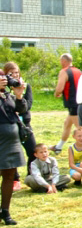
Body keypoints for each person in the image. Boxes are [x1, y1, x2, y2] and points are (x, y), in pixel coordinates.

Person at [0, 72, 28, 225]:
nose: (4, 79)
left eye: (4, 77)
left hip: (12, 141)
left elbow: (22, 109)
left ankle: (5, 211)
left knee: (9, 176)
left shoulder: (7, 95)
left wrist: (18, 95)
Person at [3, 62, 35, 192]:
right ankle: (15, 179)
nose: (15, 75)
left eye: (16, 72)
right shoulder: (3, 88)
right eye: (11, 73)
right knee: (12, 154)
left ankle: (31, 175)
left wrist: (18, 97)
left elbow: (28, 105)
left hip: (24, 124)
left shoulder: (25, 86)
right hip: (9, 125)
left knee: (32, 150)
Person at [51, 53, 82, 155]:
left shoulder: (64, 71)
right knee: (67, 124)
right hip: (80, 101)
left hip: (72, 102)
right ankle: (59, 147)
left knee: (80, 129)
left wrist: (56, 94)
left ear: (64, 61)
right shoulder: (79, 71)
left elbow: (59, 88)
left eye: (60, 61)